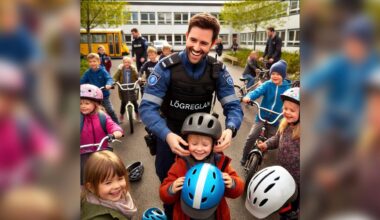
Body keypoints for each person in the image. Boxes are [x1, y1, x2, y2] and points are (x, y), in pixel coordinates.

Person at [139, 13, 243, 219]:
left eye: (204, 43)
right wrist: (166, 135)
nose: (196, 47)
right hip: (170, 137)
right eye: (193, 40)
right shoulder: (165, 67)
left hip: (203, 140)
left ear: (213, 43)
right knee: (171, 188)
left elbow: (233, 106)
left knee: (209, 189)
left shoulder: (218, 70)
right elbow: (147, 108)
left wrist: (231, 129)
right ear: (186, 36)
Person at [159, 113, 244, 219]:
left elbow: (239, 189)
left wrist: (233, 183)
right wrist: (171, 189)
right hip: (185, 215)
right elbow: (164, 194)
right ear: (186, 143)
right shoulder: (180, 164)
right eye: (194, 144)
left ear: (214, 144)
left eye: (205, 144)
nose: (199, 149)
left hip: (214, 214)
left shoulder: (220, 163)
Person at [0, 60, 60, 192]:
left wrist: (49, 152)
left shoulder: (22, 125)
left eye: (10, 98)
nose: (4, 103)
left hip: (21, 189)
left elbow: (45, 144)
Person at [257, 87, 300, 219]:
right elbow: (277, 139)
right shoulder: (285, 125)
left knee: (292, 209)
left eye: (292, 110)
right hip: (282, 175)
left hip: (299, 181)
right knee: (282, 206)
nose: (287, 112)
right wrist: (266, 144)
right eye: (285, 108)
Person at [240, 60, 291, 165]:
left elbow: (292, 101)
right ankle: (244, 157)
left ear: (283, 75)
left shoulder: (287, 88)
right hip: (261, 116)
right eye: (272, 74)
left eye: (278, 74)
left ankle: (263, 154)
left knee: (271, 141)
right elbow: (257, 91)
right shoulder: (268, 84)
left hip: (276, 120)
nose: (275, 76)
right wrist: (249, 96)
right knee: (252, 136)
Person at [80, 84, 123, 184]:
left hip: (101, 152)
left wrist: (116, 131)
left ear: (96, 104)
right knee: (83, 178)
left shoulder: (102, 116)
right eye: (80, 103)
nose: (83, 106)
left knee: (109, 173)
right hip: (82, 153)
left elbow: (112, 125)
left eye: (87, 103)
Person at [81, 151, 137, 220]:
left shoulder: (122, 197)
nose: (117, 186)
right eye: (108, 183)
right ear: (91, 187)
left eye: (120, 179)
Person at [80, 53, 119, 124]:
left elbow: (109, 78)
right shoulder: (88, 73)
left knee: (110, 110)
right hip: (93, 96)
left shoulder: (102, 71)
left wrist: (108, 84)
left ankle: (116, 124)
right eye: (90, 62)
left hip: (104, 95)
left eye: (94, 61)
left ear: (99, 62)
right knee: (90, 111)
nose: (92, 63)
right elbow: (81, 81)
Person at [113, 56, 140, 122]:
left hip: (131, 88)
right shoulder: (120, 70)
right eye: (125, 62)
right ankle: (122, 114)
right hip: (123, 88)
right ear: (123, 63)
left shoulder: (133, 69)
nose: (127, 64)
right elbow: (115, 77)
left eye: (128, 62)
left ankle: (137, 114)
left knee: (134, 102)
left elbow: (137, 76)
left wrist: (139, 79)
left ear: (130, 63)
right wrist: (113, 81)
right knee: (123, 103)